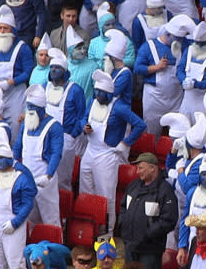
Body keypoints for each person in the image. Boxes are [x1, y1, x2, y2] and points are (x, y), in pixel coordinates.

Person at [79, 70, 146, 233]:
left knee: (106, 195)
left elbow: (140, 125)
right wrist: (84, 127)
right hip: (90, 150)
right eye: (96, 91)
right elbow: (84, 117)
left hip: (107, 154)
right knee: (86, 190)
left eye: (100, 92)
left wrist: (125, 143)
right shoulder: (92, 101)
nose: (97, 95)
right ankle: (89, 230)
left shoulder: (120, 107)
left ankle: (106, 233)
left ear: (109, 93)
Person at [0, 142, 37, 269]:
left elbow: (27, 205)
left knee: (15, 262)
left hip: (13, 224)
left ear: (9, 160)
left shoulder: (21, 179)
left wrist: (15, 222)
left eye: (1, 158)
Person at [13, 84, 63, 227]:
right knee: (29, 217)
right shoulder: (26, 123)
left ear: (42, 109)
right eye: (28, 108)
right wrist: (14, 165)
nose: (30, 112)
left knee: (50, 218)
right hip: (26, 176)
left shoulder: (54, 126)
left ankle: (56, 246)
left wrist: (48, 175)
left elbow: (56, 153)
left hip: (44, 178)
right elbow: (18, 146)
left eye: (33, 109)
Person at [119, 152, 179, 269]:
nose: (137, 172)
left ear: (152, 168)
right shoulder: (133, 186)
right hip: (130, 246)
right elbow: (123, 207)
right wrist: (123, 224)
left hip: (150, 250)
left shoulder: (165, 191)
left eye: (141, 168)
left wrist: (147, 233)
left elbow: (169, 220)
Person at [0, 5, 34, 141]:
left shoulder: (23, 48)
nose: (3, 31)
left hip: (15, 92)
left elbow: (28, 72)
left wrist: (11, 82)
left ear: (13, 30)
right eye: (0, 28)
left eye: (6, 28)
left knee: (15, 125)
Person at [44, 47, 86, 191]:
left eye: (58, 68)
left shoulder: (75, 90)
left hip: (65, 138)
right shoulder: (46, 87)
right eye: (52, 68)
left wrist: (72, 135)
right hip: (46, 137)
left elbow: (82, 116)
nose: (54, 71)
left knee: (62, 180)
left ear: (65, 72)